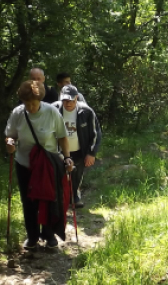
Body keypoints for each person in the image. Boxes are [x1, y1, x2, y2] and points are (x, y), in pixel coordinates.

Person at [5, 80, 74, 250]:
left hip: (48, 165)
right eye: (26, 103)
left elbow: (62, 137)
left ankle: (49, 235)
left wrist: (67, 158)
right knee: (28, 201)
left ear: (40, 100)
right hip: (25, 164)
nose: (30, 107)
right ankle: (32, 236)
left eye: (33, 103)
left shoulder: (51, 112)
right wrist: (10, 143)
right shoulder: (18, 113)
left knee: (48, 198)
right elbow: (10, 135)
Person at [51, 85, 101, 209]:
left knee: (76, 175)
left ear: (77, 98)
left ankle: (74, 197)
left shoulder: (86, 112)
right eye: (65, 100)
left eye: (71, 100)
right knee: (58, 175)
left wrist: (92, 153)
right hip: (58, 151)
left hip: (79, 150)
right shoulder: (53, 110)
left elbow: (96, 133)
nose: (68, 103)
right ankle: (59, 198)